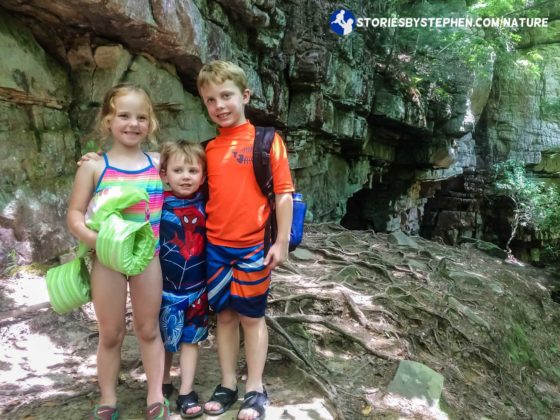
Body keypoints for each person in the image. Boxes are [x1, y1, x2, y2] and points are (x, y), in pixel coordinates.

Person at [197, 60, 294, 420]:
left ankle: (255, 386)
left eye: (226, 96)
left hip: (254, 247)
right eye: (210, 100)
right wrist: (100, 160)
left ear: (245, 95)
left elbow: (283, 193)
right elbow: (172, 170)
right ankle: (227, 384)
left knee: (252, 317)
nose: (219, 105)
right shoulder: (206, 149)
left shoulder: (268, 141)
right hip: (215, 248)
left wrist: (281, 242)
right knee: (224, 316)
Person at [67, 84, 169, 420]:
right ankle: (108, 398)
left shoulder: (159, 163)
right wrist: (99, 242)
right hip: (106, 260)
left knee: (148, 328)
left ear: (150, 123)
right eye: (124, 116)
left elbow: (193, 168)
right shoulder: (95, 167)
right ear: (108, 121)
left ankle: (156, 394)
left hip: (147, 258)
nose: (133, 123)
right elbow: (75, 215)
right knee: (110, 332)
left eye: (142, 117)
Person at [158, 141, 209, 418]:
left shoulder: (207, 203)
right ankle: (162, 383)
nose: (186, 176)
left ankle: (187, 391)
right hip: (162, 290)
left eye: (193, 170)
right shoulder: (156, 202)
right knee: (162, 340)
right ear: (164, 174)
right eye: (178, 170)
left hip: (197, 290)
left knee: (191, 341)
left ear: (203, 176)